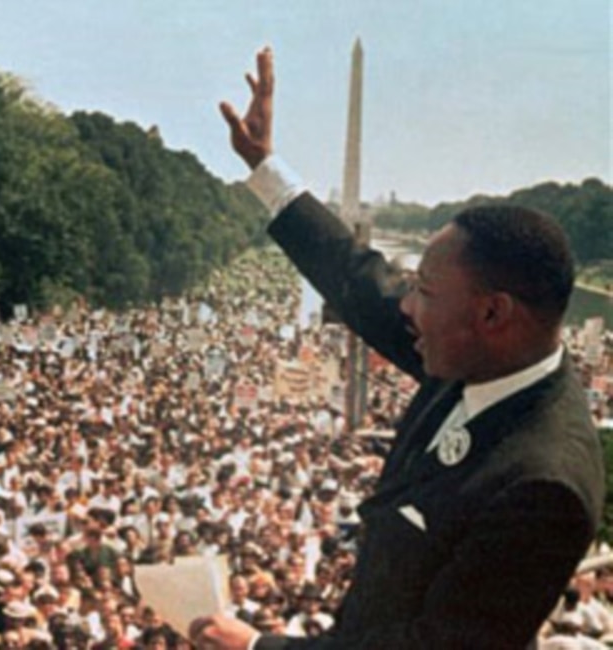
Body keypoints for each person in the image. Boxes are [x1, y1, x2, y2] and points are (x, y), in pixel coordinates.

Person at [189, 47, 605, 649]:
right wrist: (264, 167)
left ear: (492, 313)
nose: (405, 307)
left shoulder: (543, 488)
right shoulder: (483, 358)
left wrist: (259, 646)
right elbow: (358, 279)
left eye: (424, 292)